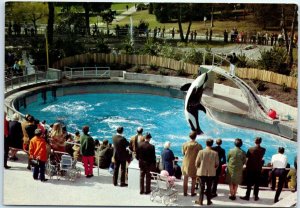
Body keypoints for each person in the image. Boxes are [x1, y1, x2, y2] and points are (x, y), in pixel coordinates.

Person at [240, 137, 266, 201]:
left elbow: (247, 158)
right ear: (260, 142)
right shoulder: (263, 149)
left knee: (249, 183)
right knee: (257, 183)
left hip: (250, 168)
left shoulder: (250, 149)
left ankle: (247, 196)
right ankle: (256, 196)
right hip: (258, 168)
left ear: (255, 141)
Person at [195, 139, 219, 206]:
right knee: (209, 188)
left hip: (202, 172)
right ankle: (209, 201)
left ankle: (200, 201)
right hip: (211, 173)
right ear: (212, 144)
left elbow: (197, 162)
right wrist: (213, 169)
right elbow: (217, 164)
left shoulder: (201, 152)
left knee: (201, 188)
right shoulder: (215, 153)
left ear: (206, 143)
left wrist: (198, 168)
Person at [182, 131, 202, 197]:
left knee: (185, 178)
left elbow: (183, 153)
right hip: (194, 163)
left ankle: (185, 193)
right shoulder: (199, 146)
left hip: (186, 163)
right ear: (196, 137)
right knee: (193, 178)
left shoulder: (185, 144)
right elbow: (200, 156)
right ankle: (192, 193)